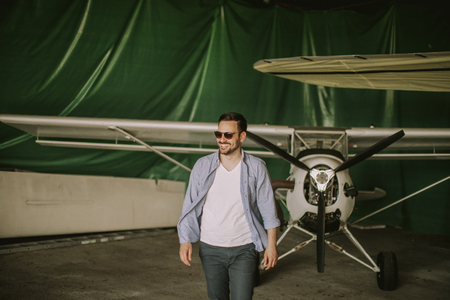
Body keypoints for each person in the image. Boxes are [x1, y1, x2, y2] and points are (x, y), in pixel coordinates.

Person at [177, 112, 280, 300]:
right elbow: (189, 205)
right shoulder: (202, 166)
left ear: (242, 136)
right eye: (219, 134)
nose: (222, 139)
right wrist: (185, 240)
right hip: (210, 249)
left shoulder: (257, 167)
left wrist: (271, 245)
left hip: (245, 249)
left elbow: (268, 209)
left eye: (228, 135)